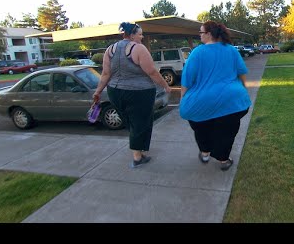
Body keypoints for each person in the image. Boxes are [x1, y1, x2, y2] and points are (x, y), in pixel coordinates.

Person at [93, 22, 172, 168]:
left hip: (115, 92)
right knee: (140, 123)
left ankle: (139, 151)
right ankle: (137, 157)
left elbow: (105, 74)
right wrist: (165, 86)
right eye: (140, 34)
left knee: (131, 122)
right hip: (139, 93)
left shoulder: (110, 50)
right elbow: (152, 72)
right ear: (131, 35)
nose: (142, 37)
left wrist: (98, 91)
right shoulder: (138, 48)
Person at [179, 20, 251, 171]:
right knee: (227, 131)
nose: (199, 36)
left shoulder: (197, 52)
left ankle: (205, 153)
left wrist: (183, 98)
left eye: (201, 32)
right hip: (232, 100)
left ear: (209, 34)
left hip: (201, 102)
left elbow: (187, 79)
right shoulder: (231, 50)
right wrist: (244, 90)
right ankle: (223, 160)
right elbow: (242, 73)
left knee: (201, 127)